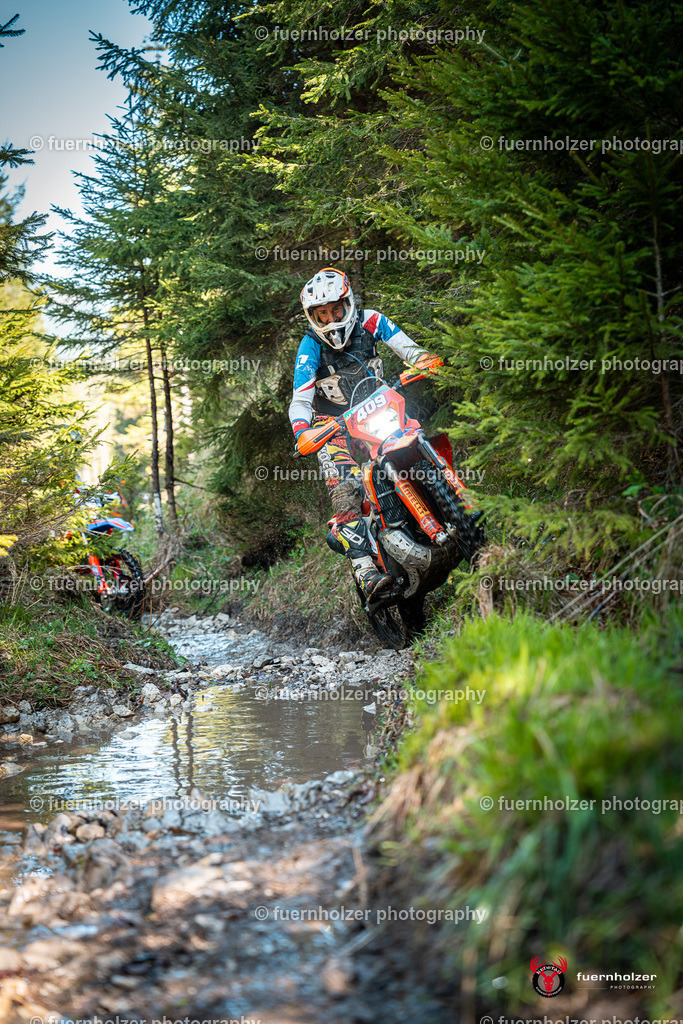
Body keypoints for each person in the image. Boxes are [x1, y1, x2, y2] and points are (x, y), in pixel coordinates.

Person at [288, 266, 433, 602]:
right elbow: (300, 399)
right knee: (346, 486)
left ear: (348, 302)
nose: (331, 318)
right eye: (321, 314)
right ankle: (366, 571)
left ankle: (449, 500)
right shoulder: (310, 346)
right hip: (333, 427)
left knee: (415, 441)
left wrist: (423, 359)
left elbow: (408, 349)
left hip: (380, 406)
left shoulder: (371, 320)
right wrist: (303, 431)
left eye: (336, 309)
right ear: (312, 316)